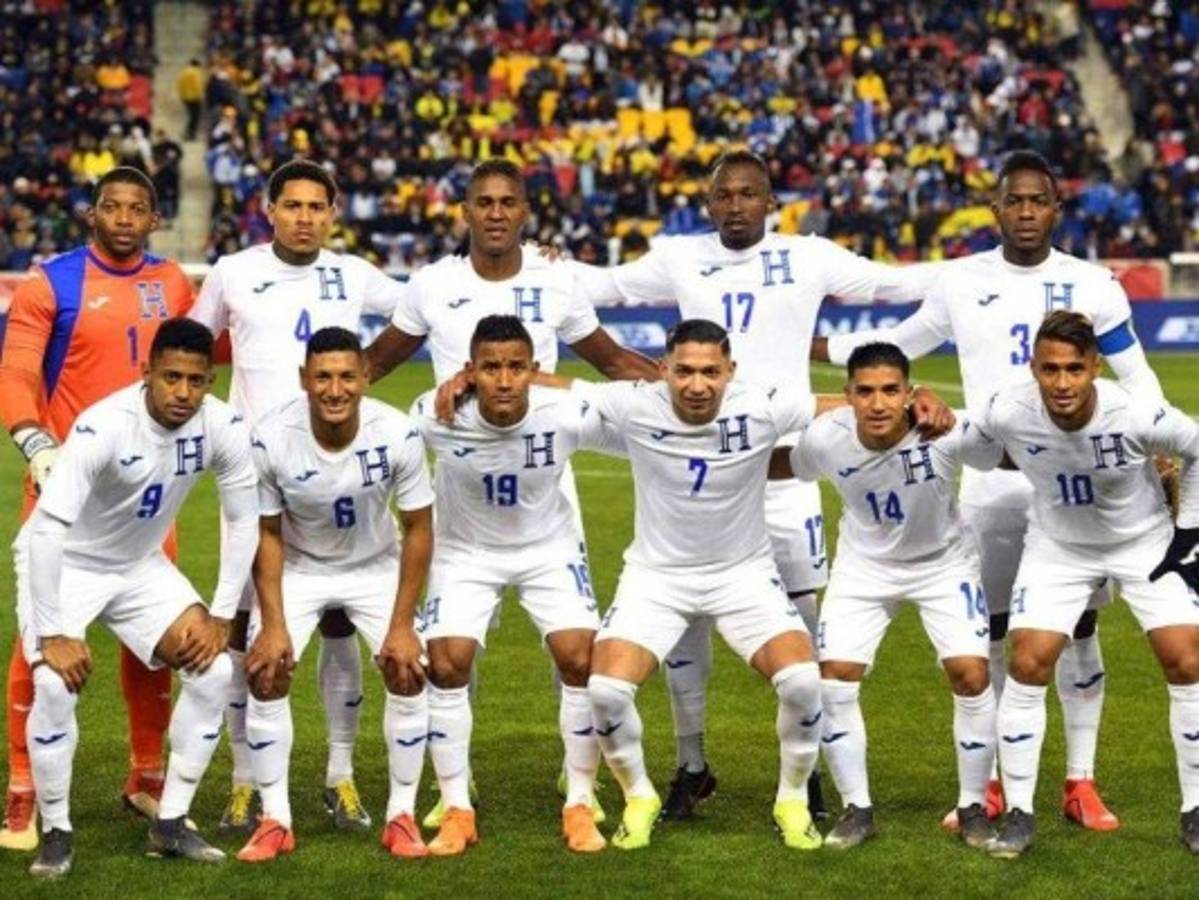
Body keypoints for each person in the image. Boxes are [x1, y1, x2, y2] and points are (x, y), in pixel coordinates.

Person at [813, 149, 1166, 831]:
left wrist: (1155, 448)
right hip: (992, 484)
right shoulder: (961, 280)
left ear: (1056, 209)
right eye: (1014, 201)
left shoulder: (1092, 284)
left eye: (1038, 201)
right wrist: (802, 342)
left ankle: (1080, 781)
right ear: (995, 208)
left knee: (1079, 629)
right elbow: (896, 343)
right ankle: (998, 781)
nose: (1025, 212)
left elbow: (1138, 378)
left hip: (1074, 486)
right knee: (998, 634)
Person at [593, 149, 939, 820]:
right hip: (703, 464)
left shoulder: (809, 255)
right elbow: (603, 287)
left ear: (771, 201)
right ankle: (692, 765)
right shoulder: (679, 256)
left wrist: (980, 270)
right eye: (724, 194)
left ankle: (810, 771)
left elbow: (891, 284)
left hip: (785, 469)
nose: (736, 205)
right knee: (682, 624)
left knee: (803, 627)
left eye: (748, 193)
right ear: (708, 203)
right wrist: (545, 264)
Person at [365, 158, 659, 826]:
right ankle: (455, 787)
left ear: (525, 212)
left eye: (508, 202)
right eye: (484, 202)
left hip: (544, 474)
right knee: (451, 656)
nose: (495, 213)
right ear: (464, 211)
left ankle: (578, 778)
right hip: (462, 482)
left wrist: (682, 395)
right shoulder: (432, 285)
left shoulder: (555, 278)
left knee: (574, 652)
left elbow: (612, 363)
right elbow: (374, 364)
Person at [551, 319, 852, 851]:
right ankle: (639, 796)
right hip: (656, 578)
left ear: (730, 371)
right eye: (684, 372)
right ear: (663, 370)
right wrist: (469, 380)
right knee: (606, 692)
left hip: (744, 576)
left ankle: (792, 799)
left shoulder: (761, 406)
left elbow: (845, 405)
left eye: (710, 372)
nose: (697, 385)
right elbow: (554, 385)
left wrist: (917, 401)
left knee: (804, 683)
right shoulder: (633, 403)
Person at [190, 158, 408, 835]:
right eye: (293, 205)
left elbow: (422, 311)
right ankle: (243, 781)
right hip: (251, 478)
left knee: (338, 622)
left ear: (333, 213)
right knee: (242, 633)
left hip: (332, 472)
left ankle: (340, 776)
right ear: (270, 210)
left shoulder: (355, 273)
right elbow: (193, 347)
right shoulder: (233, 272)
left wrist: (367, 371)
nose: (305, 217)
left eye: (317, 206)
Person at [14, 318, 259, 877]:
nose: (183, 392)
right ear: (147, 372)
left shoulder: (222, 426)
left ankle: (170, 824)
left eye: (195, 381)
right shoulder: (103, 426)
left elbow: (245, 519)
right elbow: (47, 531)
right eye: (171, 377)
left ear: (210, 381)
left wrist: (222, 614)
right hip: (67, 562)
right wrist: (52, 634)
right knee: (52, 683)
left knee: (215, 671)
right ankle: (56, 832)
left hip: (138, 566)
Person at [0, 167, 194, 849]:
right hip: (66, 490)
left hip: (145, 503)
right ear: (92, 215)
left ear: (153, 219)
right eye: (112, 206)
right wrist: (35, 442)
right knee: (39, 644)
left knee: (155, 645)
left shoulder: (174, 283)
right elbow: (16, 370)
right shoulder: (50, 283)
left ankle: (146, 776)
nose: (124, 218)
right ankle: (22, 789)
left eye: (137, 208)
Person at [961, 311, 1199, 857]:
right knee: (1028, 660)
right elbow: (969, 444)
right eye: (1050, 369)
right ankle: (1020, 813)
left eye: (1074, 368)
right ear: (1033, 369)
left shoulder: (1135, 411)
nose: (1062, 382)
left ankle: (1195, 809)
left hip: (1143, 542)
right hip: (1058, 547)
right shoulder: (1008, 408)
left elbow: (1197, 446)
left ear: (1095, 367)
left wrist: (1189, 529)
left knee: (1187, 659)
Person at [770, 342, 996, 850]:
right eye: (866, 391)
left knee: (971, 673)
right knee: (835, 678)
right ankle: (857, 809)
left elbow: (1004, 451)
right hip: (864, 569)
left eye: (891, 390)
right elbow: (788, 465)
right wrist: (714, 461)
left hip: (944, 565)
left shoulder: (943, 429)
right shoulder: (827, 437)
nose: (878, 403)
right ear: (847, 395)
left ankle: (973, 806)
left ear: (910, 393)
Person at [411, 315, 616, 856]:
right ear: (469, 371)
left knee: (579, 658)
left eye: (516, 368)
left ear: (536, 370)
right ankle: (457, 808)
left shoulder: (566, 413)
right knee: (446, 663)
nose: (503, 380)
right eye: (490, 368)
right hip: (465, 551)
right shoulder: (435, 415)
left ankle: (579, 801)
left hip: (547, 548)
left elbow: (636, 418)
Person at [236, 327, 434, 862]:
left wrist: (402, 625)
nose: (335, 389)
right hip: (300, 567)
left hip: (375, 565)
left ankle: (401, 816)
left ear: (366, 376)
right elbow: (266, 532)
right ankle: (276, 820)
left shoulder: (397, 432)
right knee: (266, 671)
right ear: (304, 378)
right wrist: (273, 624)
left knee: (408, 670)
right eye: (322, 377)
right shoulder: (271, 436)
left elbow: (419, 527)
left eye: (347, 376)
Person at [177, 59, 205, 141]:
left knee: (191, 116)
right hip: (195, 98)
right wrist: (201, 95)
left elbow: (179, 85)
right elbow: (198, 85)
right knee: (195, 117)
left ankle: (187, 132)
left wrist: (182, 96)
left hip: (186, 98)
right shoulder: (196, 73)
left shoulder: (184, 72)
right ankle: (191, 133)